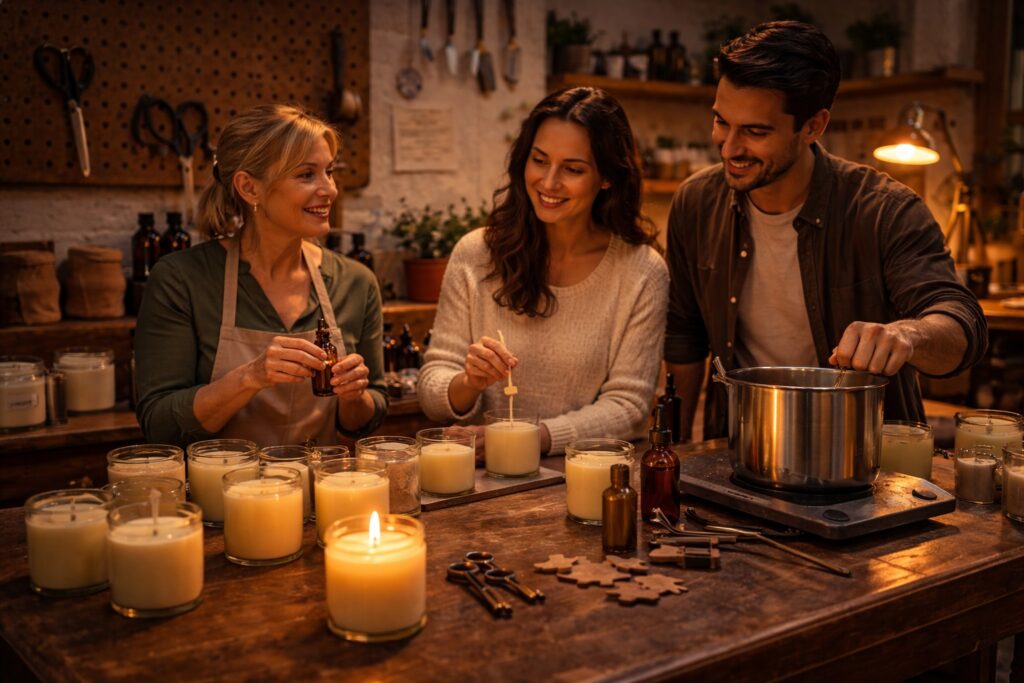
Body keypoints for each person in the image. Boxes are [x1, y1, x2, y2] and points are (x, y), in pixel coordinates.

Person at [664, 21, 988, 442]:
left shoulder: (885, 211)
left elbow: (963, 325)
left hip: (863, 458)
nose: (728, 147)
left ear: (814, 126)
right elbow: (685, 338)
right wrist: (673, 461)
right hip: (740, 450)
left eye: (755, 132)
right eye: (722, 122)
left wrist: (906, 336)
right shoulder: (696, 203)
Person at [417, 87, 669, 457]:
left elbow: (628, 409)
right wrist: (468, 382)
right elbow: (431, 391)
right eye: (539, 160)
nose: (549, 183)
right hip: (483, 481)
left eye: (573, 169)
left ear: (607, 177)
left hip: (588, 478)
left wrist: (527, 440)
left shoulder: (641, 272)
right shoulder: (477, 254)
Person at [135, 104, 387, 447]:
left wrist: (355, 396)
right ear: (249, 188)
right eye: (306, 174)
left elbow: (362, 422)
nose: (329, 189)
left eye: (329, 171)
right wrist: (250, 377)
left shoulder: (355, 283)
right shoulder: (182, 280)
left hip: (324, 494)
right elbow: (159, 423)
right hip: (221, 495)